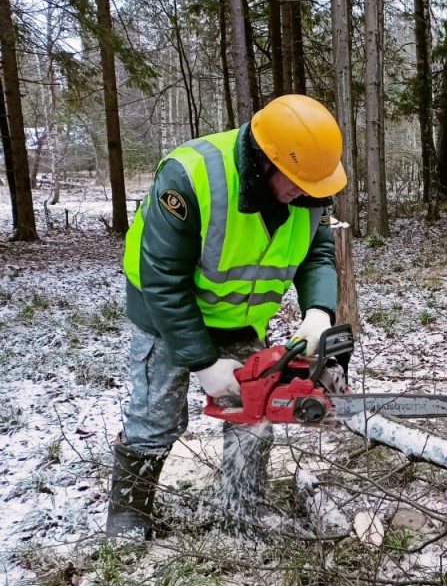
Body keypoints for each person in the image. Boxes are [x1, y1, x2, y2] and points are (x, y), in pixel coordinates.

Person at [106, 94, 348, 540]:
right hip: (167, 313)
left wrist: (318, 311)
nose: (305, 194)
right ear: (263, 160)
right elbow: (163, 280)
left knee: (255, 409)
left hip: (240, 315)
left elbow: (317, 253)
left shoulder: (310, 192)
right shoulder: (190, 177)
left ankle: (243, 509)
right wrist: (202, 362)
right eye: (296, 182)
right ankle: (129, 512)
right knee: (156, 416)